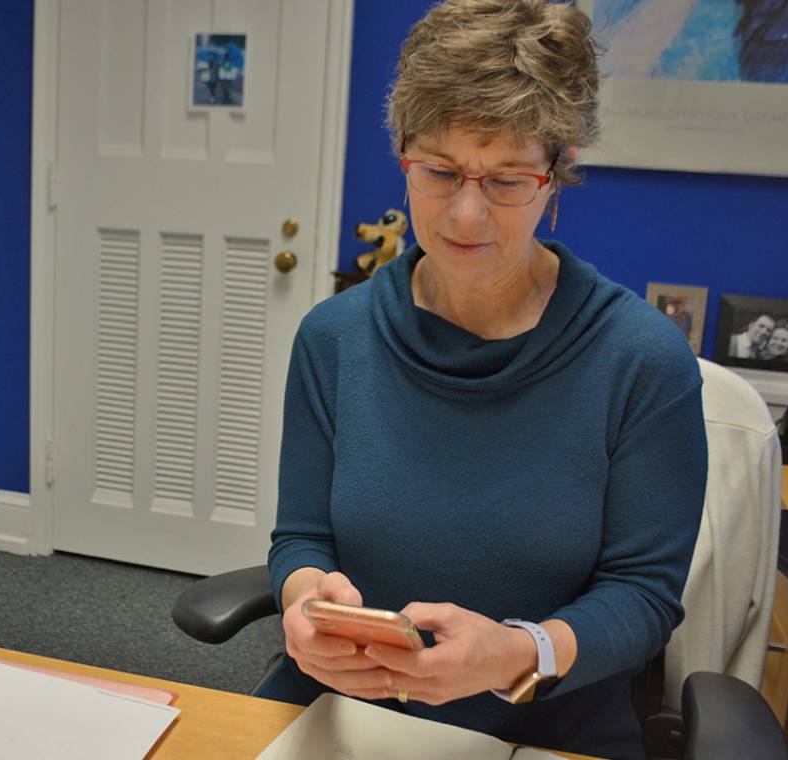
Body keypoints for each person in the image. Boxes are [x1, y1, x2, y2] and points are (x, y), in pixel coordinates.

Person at [260, 2, 707, 758]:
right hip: (345, 712)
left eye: (506, 180)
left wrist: (516, 652)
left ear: (556, 173)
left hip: (545, 726)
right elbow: (302, 537)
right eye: (438, 170)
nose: (466, 214)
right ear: (402, 153)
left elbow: (643, 594)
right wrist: (305, 602)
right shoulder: (333, 339)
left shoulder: (641, 361)